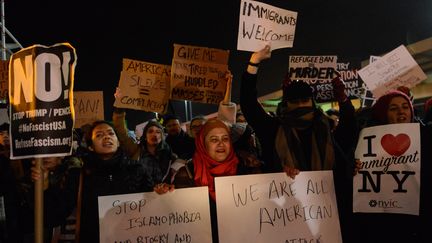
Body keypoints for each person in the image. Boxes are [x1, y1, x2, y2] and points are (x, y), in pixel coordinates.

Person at [240, 45, 357, 241]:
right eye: (295, 101)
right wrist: (254, 63)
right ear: (286, 104)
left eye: (305, 100)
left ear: (312, 102)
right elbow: (249, 105)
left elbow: (349, 131)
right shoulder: (273, 129)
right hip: (286, 216)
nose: (301, 106)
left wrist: (343, 100)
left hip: (327, 216)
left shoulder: (325, 130)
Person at [352, 90, 432, 243]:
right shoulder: (365, 140)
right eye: (393, 108)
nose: (401, 111)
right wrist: (354, 169)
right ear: (383, 114)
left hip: (418, 219)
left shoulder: (426, 136)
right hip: (382, 220)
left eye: (405, 107)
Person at [76, 120, 147, 242]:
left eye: (111, 133)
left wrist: (161, 192)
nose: (107, 137)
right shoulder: (81, 174)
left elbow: (151, 201)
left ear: (118, 142)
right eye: (99, 135)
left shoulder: (136, 169)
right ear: (90, 146)